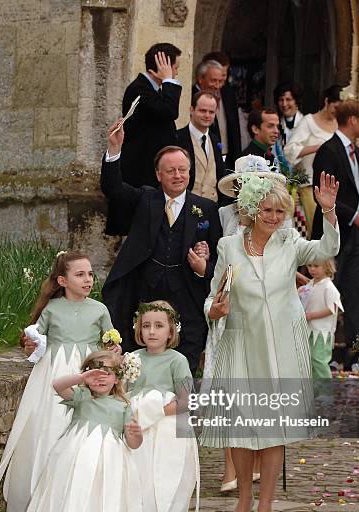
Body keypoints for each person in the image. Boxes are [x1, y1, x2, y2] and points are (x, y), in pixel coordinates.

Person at [200, 168, 340, 512]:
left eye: (280, 212)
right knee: (242, 429)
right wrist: (213, 309)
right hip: (242, 344)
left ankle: (265, 509)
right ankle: (244, 497)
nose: (274, 218)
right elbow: (213, 295)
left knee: (274, 428)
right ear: (250, 209)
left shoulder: (290, 241)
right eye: (267, 211)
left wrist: (327, 213)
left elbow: (327, 250)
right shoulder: (228, 246)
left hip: (281, 347)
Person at [0, 251, 116, 512]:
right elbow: (35, 341)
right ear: (62, 280)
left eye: (90, 274)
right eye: (80, 274)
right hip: (54, 375)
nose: (88, 279)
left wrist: (112, 351)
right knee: (47, 431)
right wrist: (31, 343)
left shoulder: (99, 310)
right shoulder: (52, 309)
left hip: (87, 372)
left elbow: (110, 341)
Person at [16, 351, 143, 512]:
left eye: (107, 372)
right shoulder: (81, 397)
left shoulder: (123, 406)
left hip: (109, 467)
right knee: (68, 511)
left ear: (118, 378)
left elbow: (132, 442)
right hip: (74, 462)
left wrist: (137, 436)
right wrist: (81, 378)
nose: (100, 376)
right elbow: (57, 384)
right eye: (95, 371)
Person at [101, 121, 222, 374]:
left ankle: (179, 409)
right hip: (145, 291)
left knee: (184, 365)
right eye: (171, 171)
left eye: (183, 170)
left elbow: (219, 261)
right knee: (141, 358)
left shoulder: (207, 208)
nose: (178, 176)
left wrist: (203, 267)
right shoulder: (146, 199)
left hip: (187, 296)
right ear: (158, 175)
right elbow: (113, 189)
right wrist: (114, 149)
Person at [128, 301, 199, 512]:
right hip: (140, 436)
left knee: (169, 492)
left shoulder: (177, 361)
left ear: (171, 331)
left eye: (159, 326)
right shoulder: (132, 359)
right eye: (146, 326)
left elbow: (185, 401)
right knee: (141, 492)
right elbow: (123, 394)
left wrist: (153, 411)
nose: (152, 331)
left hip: (169, 433)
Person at [312, 99, 359, 370]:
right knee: (327, 291)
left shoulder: (357, 153)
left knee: (356, 293)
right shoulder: (329, 151)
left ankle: (357, 355)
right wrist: (352, 216)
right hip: (334, 231)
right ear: (352, 121)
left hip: (357, 235)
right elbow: (321, 192)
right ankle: (320, 355)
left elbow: (358, 190)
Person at [119, 42, 182, 189]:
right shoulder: (139, 89)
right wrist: (168, 80)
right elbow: (169, 111)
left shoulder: (153, 90)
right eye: (175, 68)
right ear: (163, 66)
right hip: (140, 175)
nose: (176, 73)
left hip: (151, 172)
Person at [284, 85, 341, 238]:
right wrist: (320, 147)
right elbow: (290, 150)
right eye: (335, 106)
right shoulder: (309, 121)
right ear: (327, 101)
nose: (337, 111)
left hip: (333, 189)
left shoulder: (339, 126)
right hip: (309, 185)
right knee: (313, 233)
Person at [176, 90, 227, 204]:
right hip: (186, 206)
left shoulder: (215, 140)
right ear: (191, 110)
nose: (207, 115)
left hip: (213, 207)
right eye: (203, 111)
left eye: (211, 112)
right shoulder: (177, 138)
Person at [298, 259, 343, 380]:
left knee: (319, 360)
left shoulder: (328, 286)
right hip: (310, 330)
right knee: (309, 360)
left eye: (316, 266)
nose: (312, 269)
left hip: (322, 331)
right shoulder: (311, 284)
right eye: (309, 266)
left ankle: (325, 391)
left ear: (327, 266)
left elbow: (333, 308)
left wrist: (311, 315)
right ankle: (315, 390)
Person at [193, 59, 241, 168]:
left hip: (228, 159)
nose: (217, 85)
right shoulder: (191, 97)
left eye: (220, 81)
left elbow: (235, 129)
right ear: (201, 79)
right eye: (213, 80)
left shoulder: (227, 94)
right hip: (204, 159)